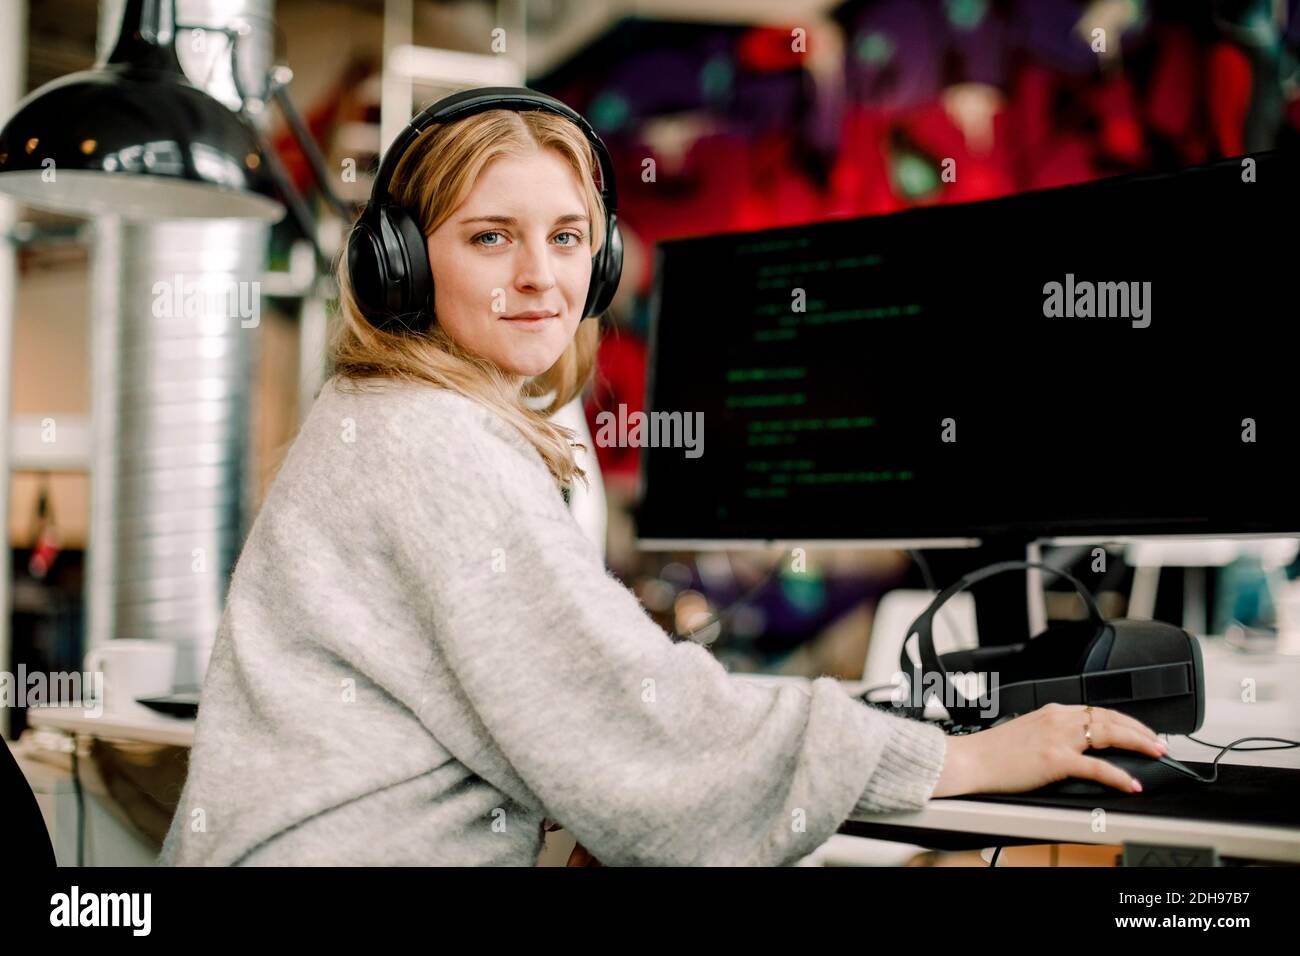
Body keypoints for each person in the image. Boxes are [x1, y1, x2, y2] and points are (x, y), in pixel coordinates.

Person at [158, 89, 1167, 866]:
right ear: (402, 268)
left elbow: (574, 715)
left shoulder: (387, 415)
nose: (539, 277)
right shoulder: (429, 441)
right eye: (489, 237)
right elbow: (633, 719)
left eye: (566, 238)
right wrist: (966, 757)